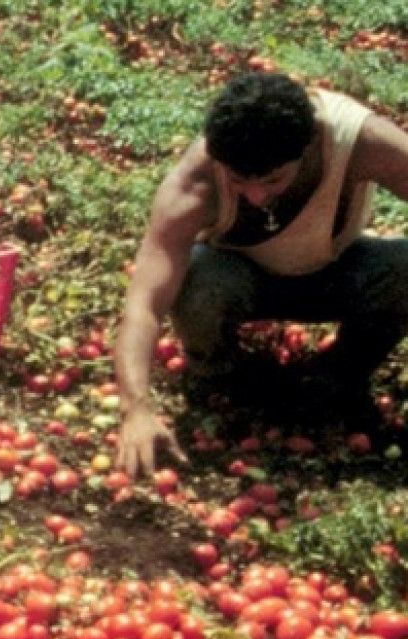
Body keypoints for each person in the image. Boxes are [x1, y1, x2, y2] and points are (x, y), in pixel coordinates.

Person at [115, 72, 408, 476]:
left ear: (306, 150)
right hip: (238, 280)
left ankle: (341, 378)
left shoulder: (360, 143)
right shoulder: (194, 184)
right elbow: (144, 302)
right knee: (196, 279)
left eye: (273, 180)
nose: (255, 196)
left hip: (336, 270)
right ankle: (220, 379)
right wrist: (135, 408)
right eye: (239, 181)